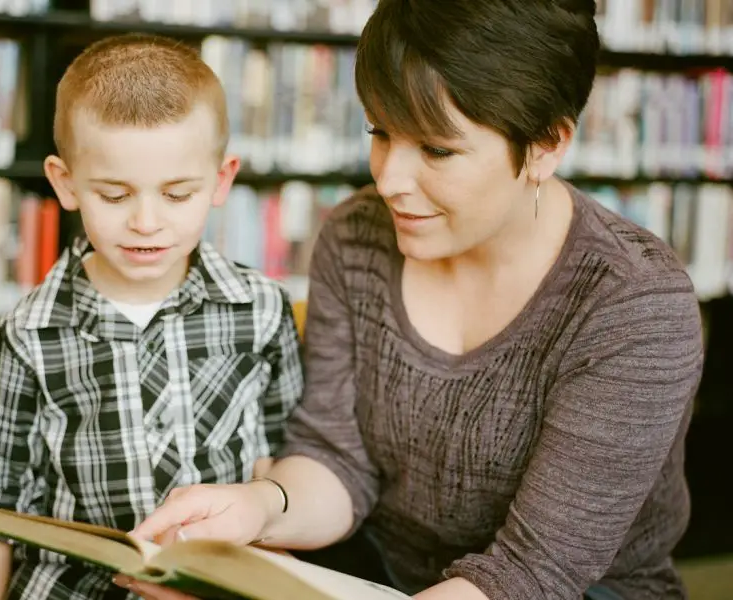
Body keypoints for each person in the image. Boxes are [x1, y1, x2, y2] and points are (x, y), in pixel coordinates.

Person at [121, 1, 705, 600]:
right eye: (380, 132)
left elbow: (532, 573)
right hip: (382, 579)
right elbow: (336, 460)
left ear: (546, 145)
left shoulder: (633, 304)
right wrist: (260, 508)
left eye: (436, 150)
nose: (389, 178)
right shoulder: (355, 238)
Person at [0, 33, 305, 600]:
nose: (146, 222)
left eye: (177, 194)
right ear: (65, 184)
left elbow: (283, 462)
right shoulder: (27, 333)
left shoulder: (261, 308)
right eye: (115, 196)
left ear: (221, 181)